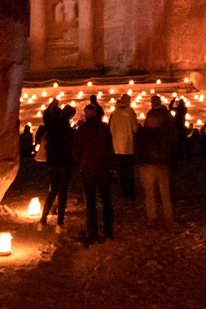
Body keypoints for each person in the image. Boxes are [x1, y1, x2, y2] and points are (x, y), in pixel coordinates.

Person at [71, 102, 115, 244]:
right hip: (103, 167)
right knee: (106, 200)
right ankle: (109, 232)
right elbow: (110, 147)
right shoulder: (104, 128)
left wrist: (80, 161)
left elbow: (76, 152)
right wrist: (112, 164)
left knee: (90, 203)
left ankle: (93, 235)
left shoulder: (81, 131)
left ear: (85, 115)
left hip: (87, 168)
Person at [134, 108, 174, 226]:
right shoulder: (163, 133)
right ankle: (167, 217)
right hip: (160, 165)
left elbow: (138, 150)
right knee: (163, 193)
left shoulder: (142, 134)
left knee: (151, 194)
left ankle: (154, 217)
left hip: (149, 166)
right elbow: (169, 148)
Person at [39, 101, 74, 229]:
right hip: (64, 164)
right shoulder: (69, 131)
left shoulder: (53, 125)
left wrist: (52, 105)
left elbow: (45, 115)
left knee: (53, 190)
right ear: (70, 117)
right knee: (62, 192)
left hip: (53, 162)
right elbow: (72, 148)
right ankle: (60, 221)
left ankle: (43, 219)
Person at [109, 93, 139, 199]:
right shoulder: (131, 112)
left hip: (117, 147)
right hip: (128, 146)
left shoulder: (115, 113)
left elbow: (111, 130)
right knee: (129, 170)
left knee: (121, 170)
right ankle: (131, 192)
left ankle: (123, 192)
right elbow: (135, 128)